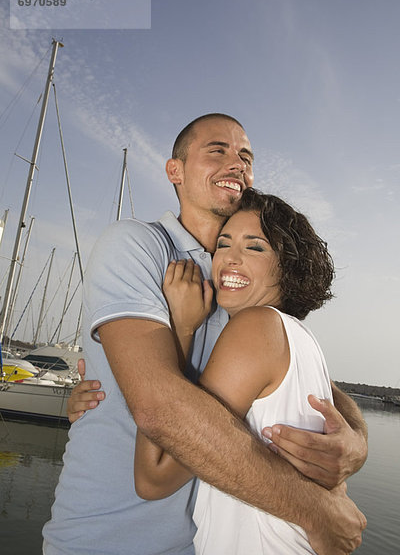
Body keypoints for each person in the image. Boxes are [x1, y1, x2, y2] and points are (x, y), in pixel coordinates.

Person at [43, 114, 367, 555]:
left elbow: (319, 389)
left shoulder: (243, 290)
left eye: (245, 157)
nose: (237, 163)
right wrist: (313, 508)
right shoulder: (137, 246)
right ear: (175, 171)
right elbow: (160, 410)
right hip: (106, 537)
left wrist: (358, 440)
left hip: (198, 543)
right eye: (218, 150)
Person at [134, 188, 347, 554]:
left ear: (288, 265)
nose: (229, 259)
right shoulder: (300, 338)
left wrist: (181, 332)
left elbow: (154, 476)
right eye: (223, 243)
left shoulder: (255, 327)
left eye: (254, 247)